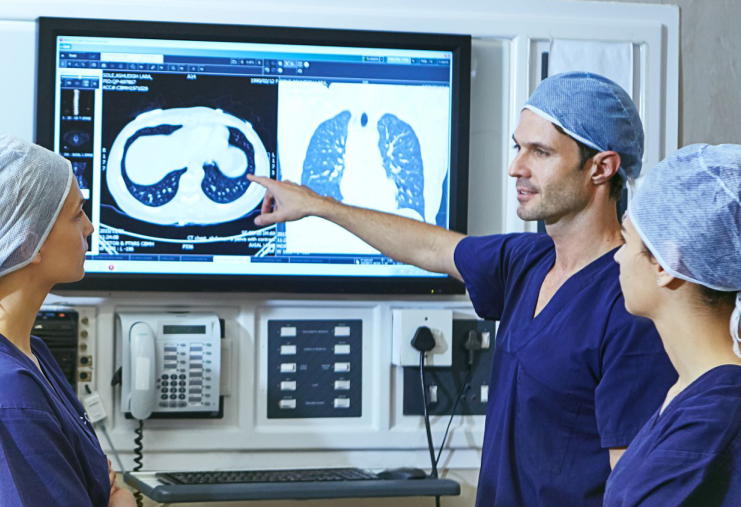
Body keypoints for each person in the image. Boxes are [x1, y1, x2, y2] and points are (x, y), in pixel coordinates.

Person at [247, 72, 677, 506]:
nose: (516, 168)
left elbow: (632, 487)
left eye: (540, 152)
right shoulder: (526, 261)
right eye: (518, 147)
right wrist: (319, 205)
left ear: (601, 168)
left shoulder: (630, 305)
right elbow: (428, 245)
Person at [0, 136, 135, 506]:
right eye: (77, 214)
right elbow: (104, 489)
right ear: (27, 244)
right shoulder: (1, 387)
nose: (89, 228)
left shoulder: (28, 354)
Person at [605, 144, 741, 506]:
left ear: (666, 264)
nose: (618, 256)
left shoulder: (713, 416)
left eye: (626, 240)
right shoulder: (690, 391)